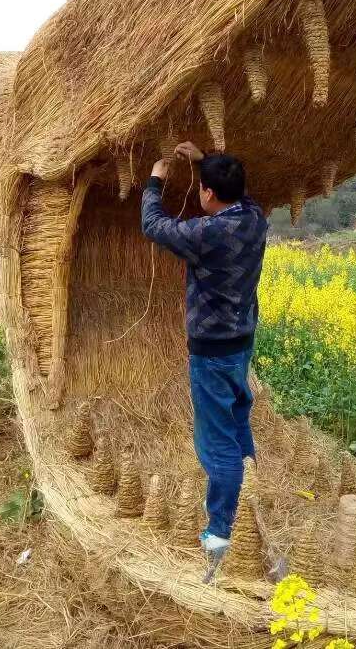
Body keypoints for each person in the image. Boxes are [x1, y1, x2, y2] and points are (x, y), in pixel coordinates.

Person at [141, 141, 268, 554]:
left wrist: (156, 180)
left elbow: (154, 226)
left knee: (216, 442)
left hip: (212, 348)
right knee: (236, 415)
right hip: (241, 339)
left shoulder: (206, 233)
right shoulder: (254, 217)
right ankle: (252, 493)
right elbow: (242, 194)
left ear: (208, 194)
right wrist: (203, 162)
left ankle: (222, 531)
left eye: (203, 188)